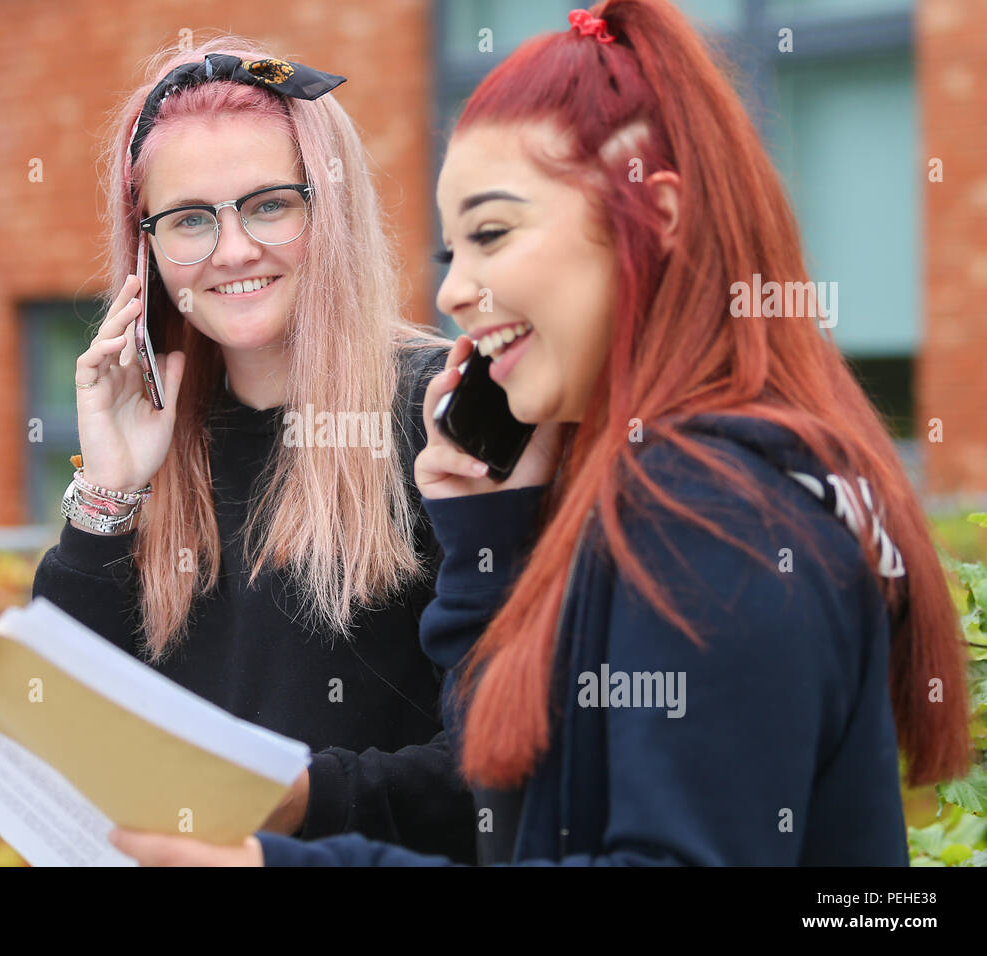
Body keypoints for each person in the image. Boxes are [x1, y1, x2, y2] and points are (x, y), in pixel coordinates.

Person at [108, 1, 971, 866]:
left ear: (657, 217)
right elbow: (522, 823)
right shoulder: (649, 483)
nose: (452, 294)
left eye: (492, 234)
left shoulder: (715, 510)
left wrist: (281, 859)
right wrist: (490, 542)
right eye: (454, 252)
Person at [30, 36, 477, 861]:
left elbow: (493, 768)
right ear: (146, 251)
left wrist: (285, 805)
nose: (232, 251)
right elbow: (57, 719)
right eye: (190, 220)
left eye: (270, 204)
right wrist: (109, 490)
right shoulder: (155, 437)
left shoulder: (441, 418)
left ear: (328, 210)